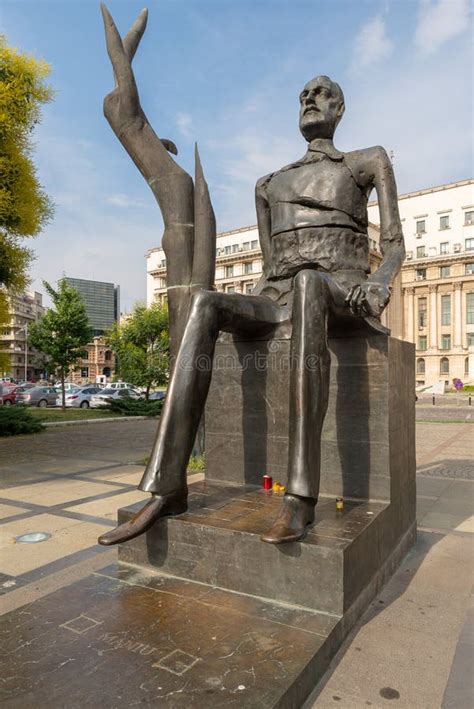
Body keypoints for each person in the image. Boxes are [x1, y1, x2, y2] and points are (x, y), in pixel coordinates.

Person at [99, 75, 404, 547]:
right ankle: (167, 487)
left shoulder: (367, 161)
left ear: (340, 110)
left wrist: (378, 284)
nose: (309, 99)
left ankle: (300, 498)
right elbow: (268, 268)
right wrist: (249, 307)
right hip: (284, 292)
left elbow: (395, 246)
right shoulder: (269, 183)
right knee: (205, 302)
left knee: (308, 284)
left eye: (321, 94)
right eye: (303, 95)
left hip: (342, 290)